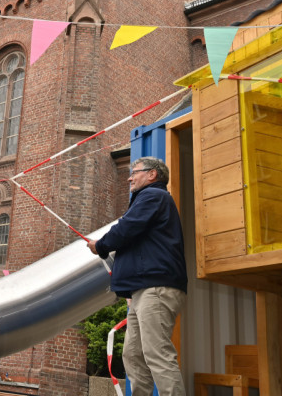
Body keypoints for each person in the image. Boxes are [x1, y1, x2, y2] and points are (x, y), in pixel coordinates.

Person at [87, 156, 187, 396]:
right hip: (143, 290)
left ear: (152, 175)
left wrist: (100, 245)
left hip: (156, 288)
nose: (130, 177)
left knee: (157, 353)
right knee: (132, 354)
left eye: (135, 172)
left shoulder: (154, 196)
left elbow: (127, 228)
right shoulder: (150, 199)